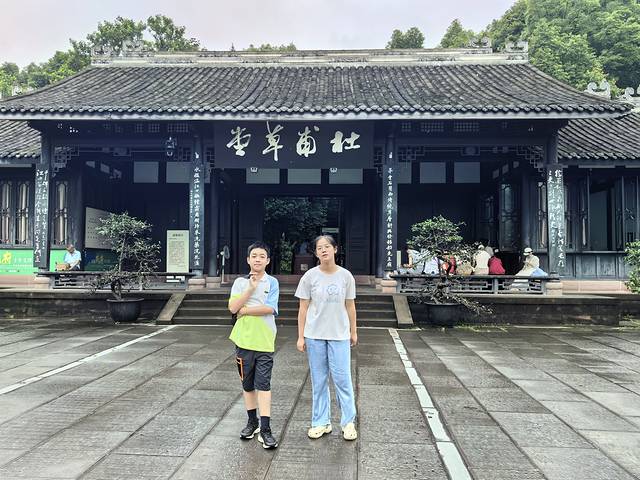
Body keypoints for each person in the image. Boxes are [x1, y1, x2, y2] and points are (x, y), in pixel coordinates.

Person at [295, 235, 358, 441]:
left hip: (339, 334)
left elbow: (350, 306)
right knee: (319, 380)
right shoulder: (309, 277)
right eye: (319, 248)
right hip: (314, 335)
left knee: (342, 379)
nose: (323, 250)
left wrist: (353, 331)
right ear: (316, 253)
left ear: (335, 249)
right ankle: (321, 422)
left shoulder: (346, 276)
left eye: (327, 247)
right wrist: (300, 336)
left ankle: (348, 422)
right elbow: (303, 308)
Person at [228, 241, 280, 449]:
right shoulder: (240, 283)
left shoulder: (272, 282)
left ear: (268, 261)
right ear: (248, 259)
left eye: (262, 256)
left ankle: (266, 428)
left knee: (264, 385)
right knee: (247, 385)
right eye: (254, 256)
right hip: (243, 340)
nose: (258, 259)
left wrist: (246, 310)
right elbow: (233, 307)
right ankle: (252, 422)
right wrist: (249, 290)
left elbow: (270, 308)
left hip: (265, 341)